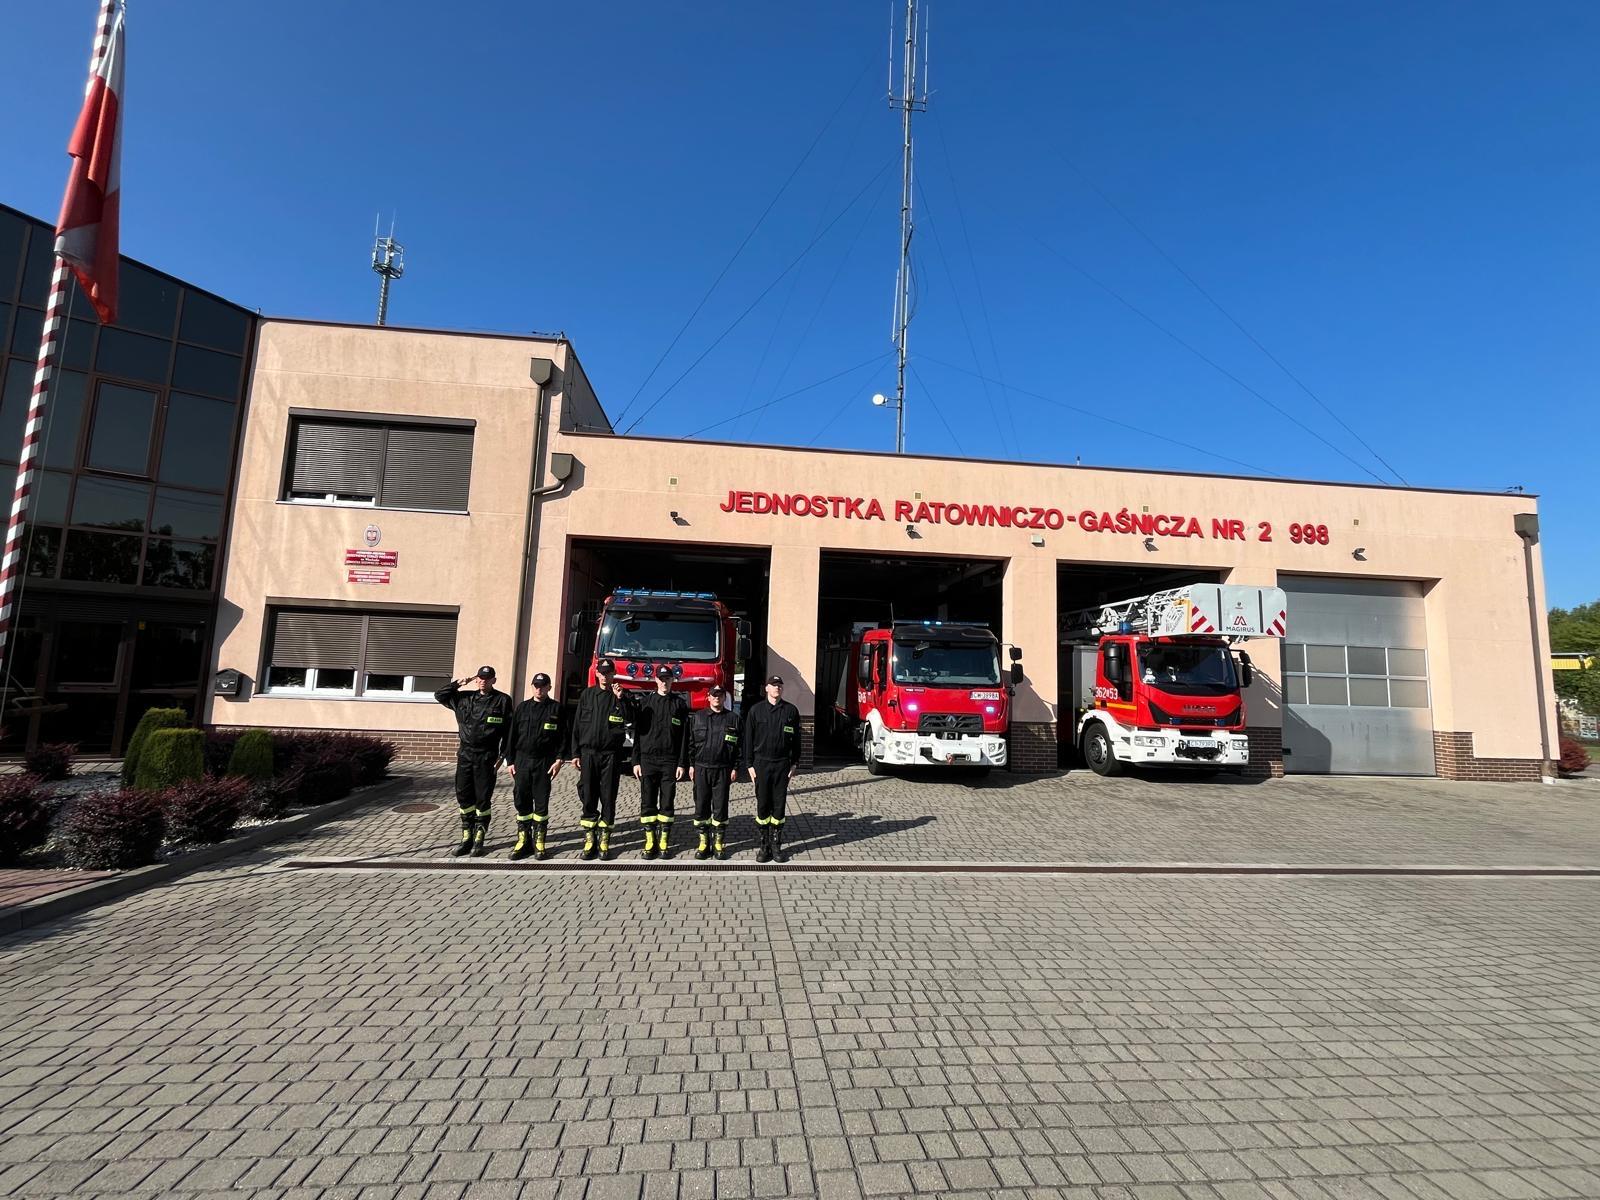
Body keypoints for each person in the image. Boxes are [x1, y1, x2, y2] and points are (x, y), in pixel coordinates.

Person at [435, 666, 513, 857]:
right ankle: (466, 837)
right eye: (480, 678)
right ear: (476, 679)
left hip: (487, 756)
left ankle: (479, 839)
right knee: (463, 796)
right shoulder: (464, 698)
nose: (483, 681)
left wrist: (503, 756)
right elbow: (439, 695)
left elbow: (509, 731)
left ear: (494, 680)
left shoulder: (502, 700)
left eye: (487, 678)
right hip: (465, 755)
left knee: (483, 798)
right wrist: (458, 683)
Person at [569, 657, 633, 860]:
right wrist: (575, 753)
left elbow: (631, 720)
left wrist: (621, 699)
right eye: (602, 673)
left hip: (610, 755)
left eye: (609, 673)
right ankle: (590, 839)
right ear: (597, 674)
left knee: (608, 797)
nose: (605, 676)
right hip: (588, 754)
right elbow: (577, 725)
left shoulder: (621, 696)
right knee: (588, 796)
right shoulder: (587, 695)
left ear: (614, 674)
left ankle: (604, 839)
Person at [740, 674, 802, 863]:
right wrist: (749, 764)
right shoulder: (756, 711)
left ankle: (776, 845)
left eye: (779, 685)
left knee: (779, 806)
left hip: (782, 765)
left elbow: (797, 740)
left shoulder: (791, 711)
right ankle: (764, 845)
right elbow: (748, 739)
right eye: (773, 685)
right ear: (766, 688)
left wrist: (795, 762)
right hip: (761, 764)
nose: (777, 688)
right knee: (763, 805)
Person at [506, 672, 567, 860]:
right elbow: (512, 735)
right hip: (522, 761)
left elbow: (563, 737)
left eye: (543, 686)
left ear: (549, 687)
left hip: (544, 762)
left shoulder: (556, 709)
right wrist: (510, 761)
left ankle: (539, 843)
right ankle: (523, 841)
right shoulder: (522, 708)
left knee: (541, 802)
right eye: (536, 686)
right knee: (521, 800)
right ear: (532, 687)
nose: (539, 689)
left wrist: (559, 760)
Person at [631, 664, 690, 859]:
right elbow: (637, 735)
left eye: (668, 679)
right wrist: (636, 761)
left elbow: (684, 737)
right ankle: (650, 841)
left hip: (669, 761)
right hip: (648, 759)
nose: (664, 682)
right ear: (656, 680)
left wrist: (682, 763)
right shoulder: (645, 703)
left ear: (673, 680)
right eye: (661, 679)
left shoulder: (679, 705)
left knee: (667, 802)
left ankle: (664, 841)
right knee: (647, 802)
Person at [688, 683, 741, 860]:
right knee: (701, 806)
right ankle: (703, 843)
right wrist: (691, 765)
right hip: (701, 768)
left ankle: (718, 843)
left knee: (720, 807)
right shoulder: (698, 717)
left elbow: (739, 747)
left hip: (723, 769)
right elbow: (690, 743)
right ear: (708, 697)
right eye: (714, 695)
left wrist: (735, 767)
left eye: (720, 695)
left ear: (724, 698)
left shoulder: (733, 719)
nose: (717, 698)